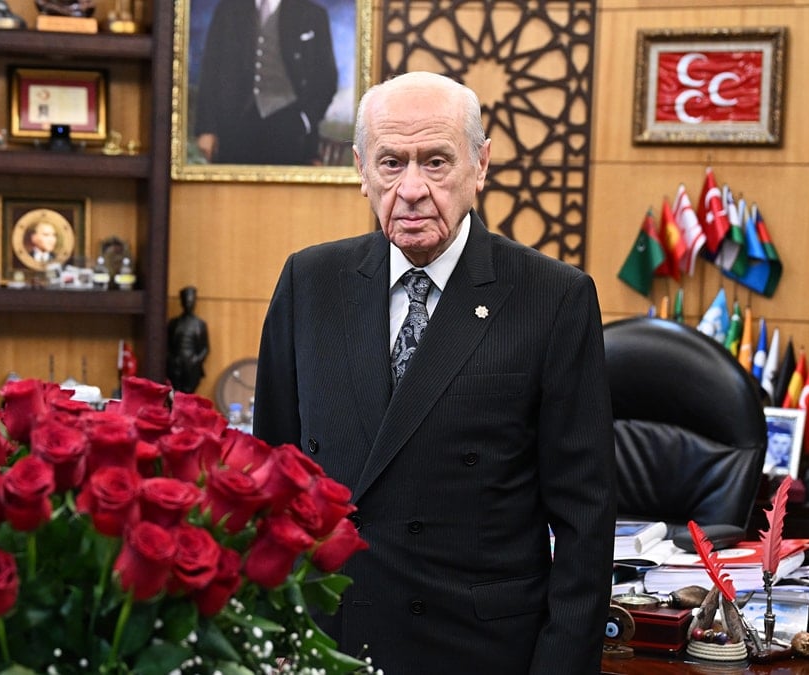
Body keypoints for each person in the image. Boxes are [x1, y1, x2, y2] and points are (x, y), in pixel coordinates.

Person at [252, 72, 616, 674]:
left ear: (480, 165)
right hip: (332, 640)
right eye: (391, 162)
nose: (412, 189)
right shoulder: (309, 282)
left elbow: (586, 520)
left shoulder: (552, 297)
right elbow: (272, 480)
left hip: (477, 648)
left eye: (436, 162)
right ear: (362, 170)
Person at [193, 0, 338, 165]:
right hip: (233, 127)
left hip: (290, 129)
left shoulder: (313, 14)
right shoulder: (228, 10)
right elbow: (210, 71)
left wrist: (305, 121)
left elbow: (327, 79)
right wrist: (206, 128)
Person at [167, 286, 210, 393]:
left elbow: (205, 348)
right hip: (176, 365)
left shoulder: (200, 324)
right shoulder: (174, 323)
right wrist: (173, 360)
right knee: (176, 393)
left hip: (192, 365)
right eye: (186, 301)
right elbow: (167, 346)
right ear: (182, 303)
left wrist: (196, 360)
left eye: (191, 301)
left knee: (189, 394)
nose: (189, 304)